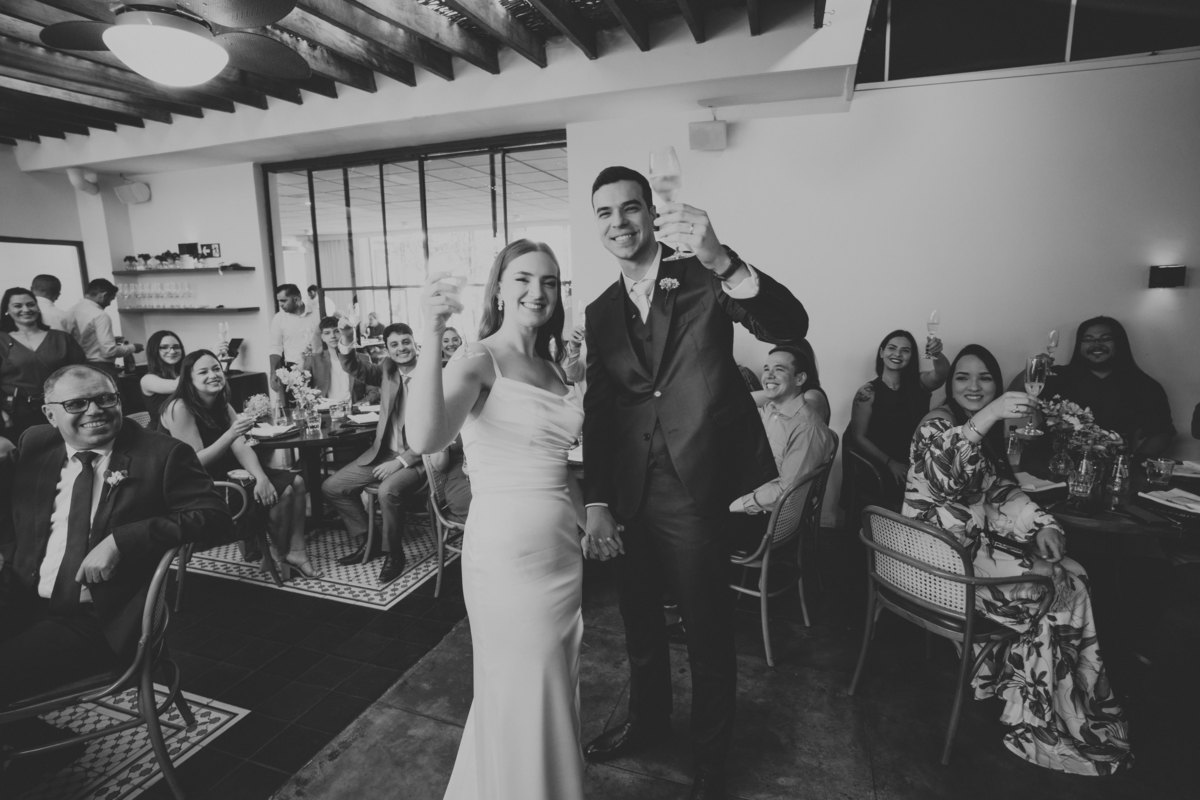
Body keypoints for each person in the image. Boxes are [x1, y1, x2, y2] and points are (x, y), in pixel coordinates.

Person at [581, 166, 807, 799]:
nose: (619, 222)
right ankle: (647, 722)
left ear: (652, 214)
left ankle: (711, 760)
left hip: (699, 491)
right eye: (604, 213)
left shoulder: (704, 276)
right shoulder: (599, 312)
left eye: (630, 208)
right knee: (640, 626)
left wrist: (722, 258)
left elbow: (789, 325)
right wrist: (596, 499)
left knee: (707, 634)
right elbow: (600, 410)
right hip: (630, 495)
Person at [407, 239, 584, 800]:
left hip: (562, 553)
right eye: (524, 279)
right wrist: (432, 334)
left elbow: (559, 466)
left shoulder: (555, 366)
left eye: (549, 281)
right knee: (519, 688)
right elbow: (425, 437)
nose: (538, 291)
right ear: (501, 289)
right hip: (508, 558)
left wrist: (592, 518)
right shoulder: (479, 360)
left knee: (553, 685)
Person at [903, 344, 1132, 775]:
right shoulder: (937, 422)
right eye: (963, 377)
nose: (974, 386)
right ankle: (1046, 719)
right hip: (938, 566)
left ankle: (1055, 704)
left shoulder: (981, 429)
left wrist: (1044, 525)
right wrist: (990, 414)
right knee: (1058, 590)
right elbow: (942, 476)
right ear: (950, 385)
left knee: (1074, 574)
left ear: (997, 381)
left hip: (970, 552)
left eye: (985, 377)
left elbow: (999, 492)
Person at [0, 364, 231, 705]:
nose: (95, 410)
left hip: (99, 619)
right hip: (21, 598)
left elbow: (214, 516)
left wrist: (123, 540)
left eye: (105, 399)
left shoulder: (161, 454)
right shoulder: (35, 443)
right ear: (50, 415)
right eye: (76, 404)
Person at [160, 351, 318, 579]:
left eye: (216, 368)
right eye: (203, 372)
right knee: (284, 492)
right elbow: (195, 463)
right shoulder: (179, 408)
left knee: (298, 482)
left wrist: (261, 478)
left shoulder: (223, 405)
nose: (213, 375)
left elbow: (241, 446)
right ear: (189, 379)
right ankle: (278, 552)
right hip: (196, 488)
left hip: (225, 473)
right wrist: (231, 434)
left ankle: (296, 551)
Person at [322, 322, 423, 585]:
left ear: (415, 343)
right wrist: (347, 337)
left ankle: (394, 554)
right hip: (384, 452)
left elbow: (442, 432)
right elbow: (355, 367)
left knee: (387, 491)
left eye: (406, 342)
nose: (401, 348)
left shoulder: (433, 374)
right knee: (333, 487)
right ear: (387, 349)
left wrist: (401, 461)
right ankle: (371, 540)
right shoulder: (388, 370)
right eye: (394, 344)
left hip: (420, 458)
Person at [729, 346, 835, 521]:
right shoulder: (770, 410)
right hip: (755, 491)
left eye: (779, 369)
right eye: (766, 369)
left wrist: (736, 504)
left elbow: (788, 493)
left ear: (800, 378)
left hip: (773, 515)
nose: (769, 375)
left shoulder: (807, 428)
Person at [1044, 316, 1174, 458]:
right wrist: (1037, 369)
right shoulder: (1056, 377)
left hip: (1113, 464)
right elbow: (1025, 402)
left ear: (1119, 343)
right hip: (1054, 461)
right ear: (1079, 345)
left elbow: (1161, 433)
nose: (1096, 344)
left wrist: (1136, 462)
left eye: (1105, 339)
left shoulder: (1145, 385)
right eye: (1088, 339)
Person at [846, 329, 948, 500]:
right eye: (892, 348)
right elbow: (859, 437)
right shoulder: (868, 392)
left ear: (911, 356)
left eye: (905, 350)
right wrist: (890, 463)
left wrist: (937, 354)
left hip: (918, 461)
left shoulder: (920, 384)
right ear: (881, 352)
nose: (897, 354)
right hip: (880, 463)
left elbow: (941, 374)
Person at [1, 287, 86, 438]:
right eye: (18, 306)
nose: (26, 309)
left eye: (30, 304)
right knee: (26, 450)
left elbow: (81, 375)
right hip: (15, 414)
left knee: (62, 449)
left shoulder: (61, 338)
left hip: (60, 409)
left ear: (37, 307)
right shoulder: (2, 340)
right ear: (7, 310)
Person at [65, 279, 142, 378]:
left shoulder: (70, 311)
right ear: (104, 295)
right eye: (110, 299)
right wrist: (133, 348)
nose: (109, 304)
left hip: (76, 368)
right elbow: (108, 351)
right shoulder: (100, 315)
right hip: (100, 368)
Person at [268, 283, 320, 404]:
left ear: (296, 299)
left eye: (283, 301)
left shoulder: (316, 314)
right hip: (293, 371)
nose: (280, 304)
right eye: (279, 301)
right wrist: (273, 373)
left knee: (321, 405)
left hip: (318, 367)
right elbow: (275, 348)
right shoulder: (279, 319)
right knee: (297, 407)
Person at [139, 330, 184, 430]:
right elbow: (176, 385)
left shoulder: (179, 374)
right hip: (162, 432)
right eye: (164, 347)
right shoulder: (147, 379)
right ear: (154, 350)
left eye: (176, 347)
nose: (172, 351)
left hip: (183, 425)